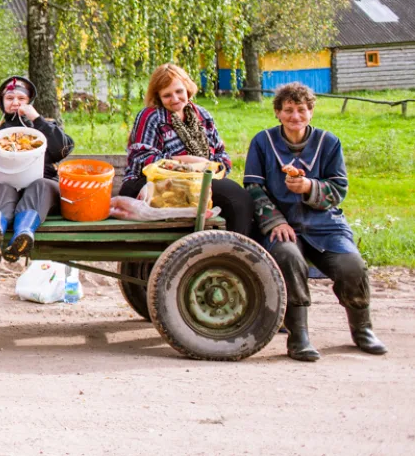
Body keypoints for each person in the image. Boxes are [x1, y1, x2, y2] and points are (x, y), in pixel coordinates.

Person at [244, 82, 386, 361]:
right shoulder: (263, 142)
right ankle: (299, 336)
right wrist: (274, 222)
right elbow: (253, 187)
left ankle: (362, 330)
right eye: (287, 110)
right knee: (288, 259)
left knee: (352, 266)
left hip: (325, 225)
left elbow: (338, 189)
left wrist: (309, 186)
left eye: (301, 110)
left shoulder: (328, 142)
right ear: (277, 113)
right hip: (283, 225)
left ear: (311, 112)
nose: (294, 116)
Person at [120, 63, 252, 235]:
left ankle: (232, 252)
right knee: (234, 199)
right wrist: (187, 162)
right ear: (158, 96)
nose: (175, 99)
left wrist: (212, 167)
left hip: (198, 180)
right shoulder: (151, 116)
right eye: (167, 95)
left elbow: (222, 156)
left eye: (179, 91)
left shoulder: (202, 115)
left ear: (187, 88)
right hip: (153, 182)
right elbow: (140, 159)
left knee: (240, 199)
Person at [0, 76, 75, 263]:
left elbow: (64, 149)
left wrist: (36, 119)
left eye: (21, 99)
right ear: (2, 102)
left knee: (41, 185)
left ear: (29, 101)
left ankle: (23, 234)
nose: (15, 103)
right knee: (1, 187)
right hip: (3, 190)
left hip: (41, 192)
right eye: (9, 98)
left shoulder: (45, 125)